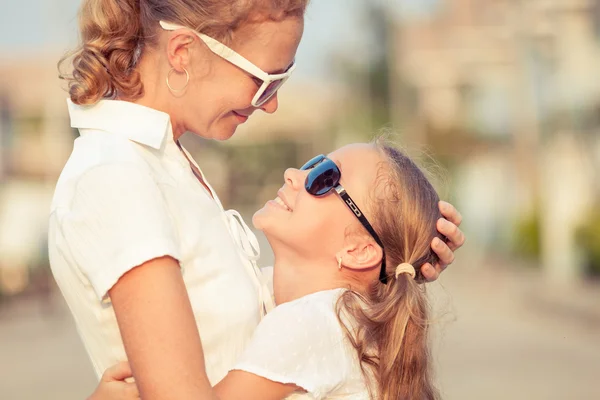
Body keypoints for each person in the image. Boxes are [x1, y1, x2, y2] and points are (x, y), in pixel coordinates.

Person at [48, 1, 465, 399]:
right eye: (266, 80)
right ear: (183, 53)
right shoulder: (119, 175)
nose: (272, 104)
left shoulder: (164, 162)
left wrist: (395, 265)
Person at [92, 141, 448, 399]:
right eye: (314, 161)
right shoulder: (342, 315)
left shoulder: (312, 321)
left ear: (357, 250)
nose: (294, 174)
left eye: (324, 178)